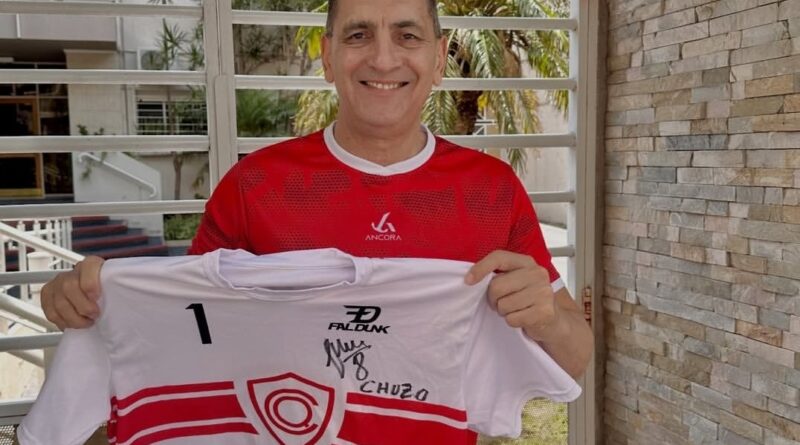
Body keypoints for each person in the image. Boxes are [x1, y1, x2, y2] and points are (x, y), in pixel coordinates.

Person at [41, 0, 592, 379]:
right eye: (358, 35)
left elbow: (576, 358)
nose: (383, 58)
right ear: (328, 57)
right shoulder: (255, 184)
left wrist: (546, 318)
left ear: (439, 57)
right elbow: (187, 328)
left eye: (407, 36)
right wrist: (95, 303)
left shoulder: (492, 189)